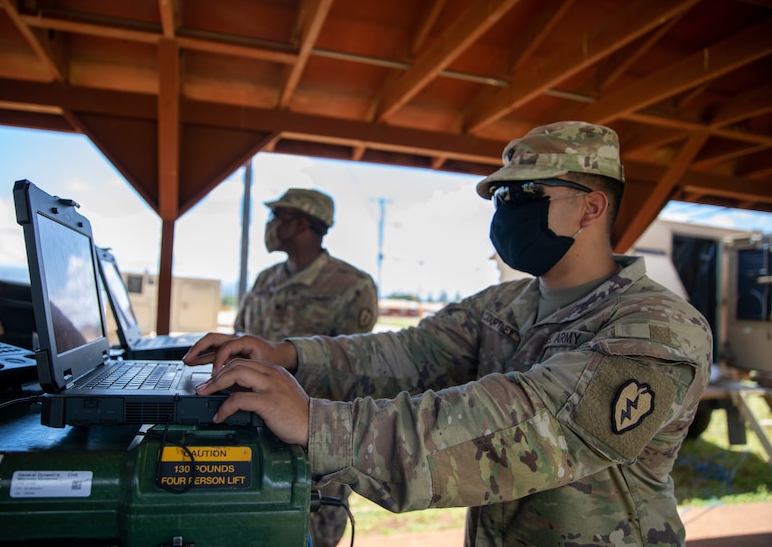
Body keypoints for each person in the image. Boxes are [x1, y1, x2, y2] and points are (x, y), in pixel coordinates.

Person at [186, 122, 712, 546]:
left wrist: (318, 423)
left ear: (592, 207)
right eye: (500, 197)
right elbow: (408, 352)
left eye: (527, 194)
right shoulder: (504, 305)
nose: (508, 211)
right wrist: (287, 355)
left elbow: (529, 427)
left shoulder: (658, 329)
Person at [234, 187, 378, 546]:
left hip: (317, 442)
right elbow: (241, 338)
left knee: (319, 535)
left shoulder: (352, 285)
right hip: (255, 436)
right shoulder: (265, 280)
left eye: (275, 218)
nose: (269, 227)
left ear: (299, 223)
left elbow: (353, 366)